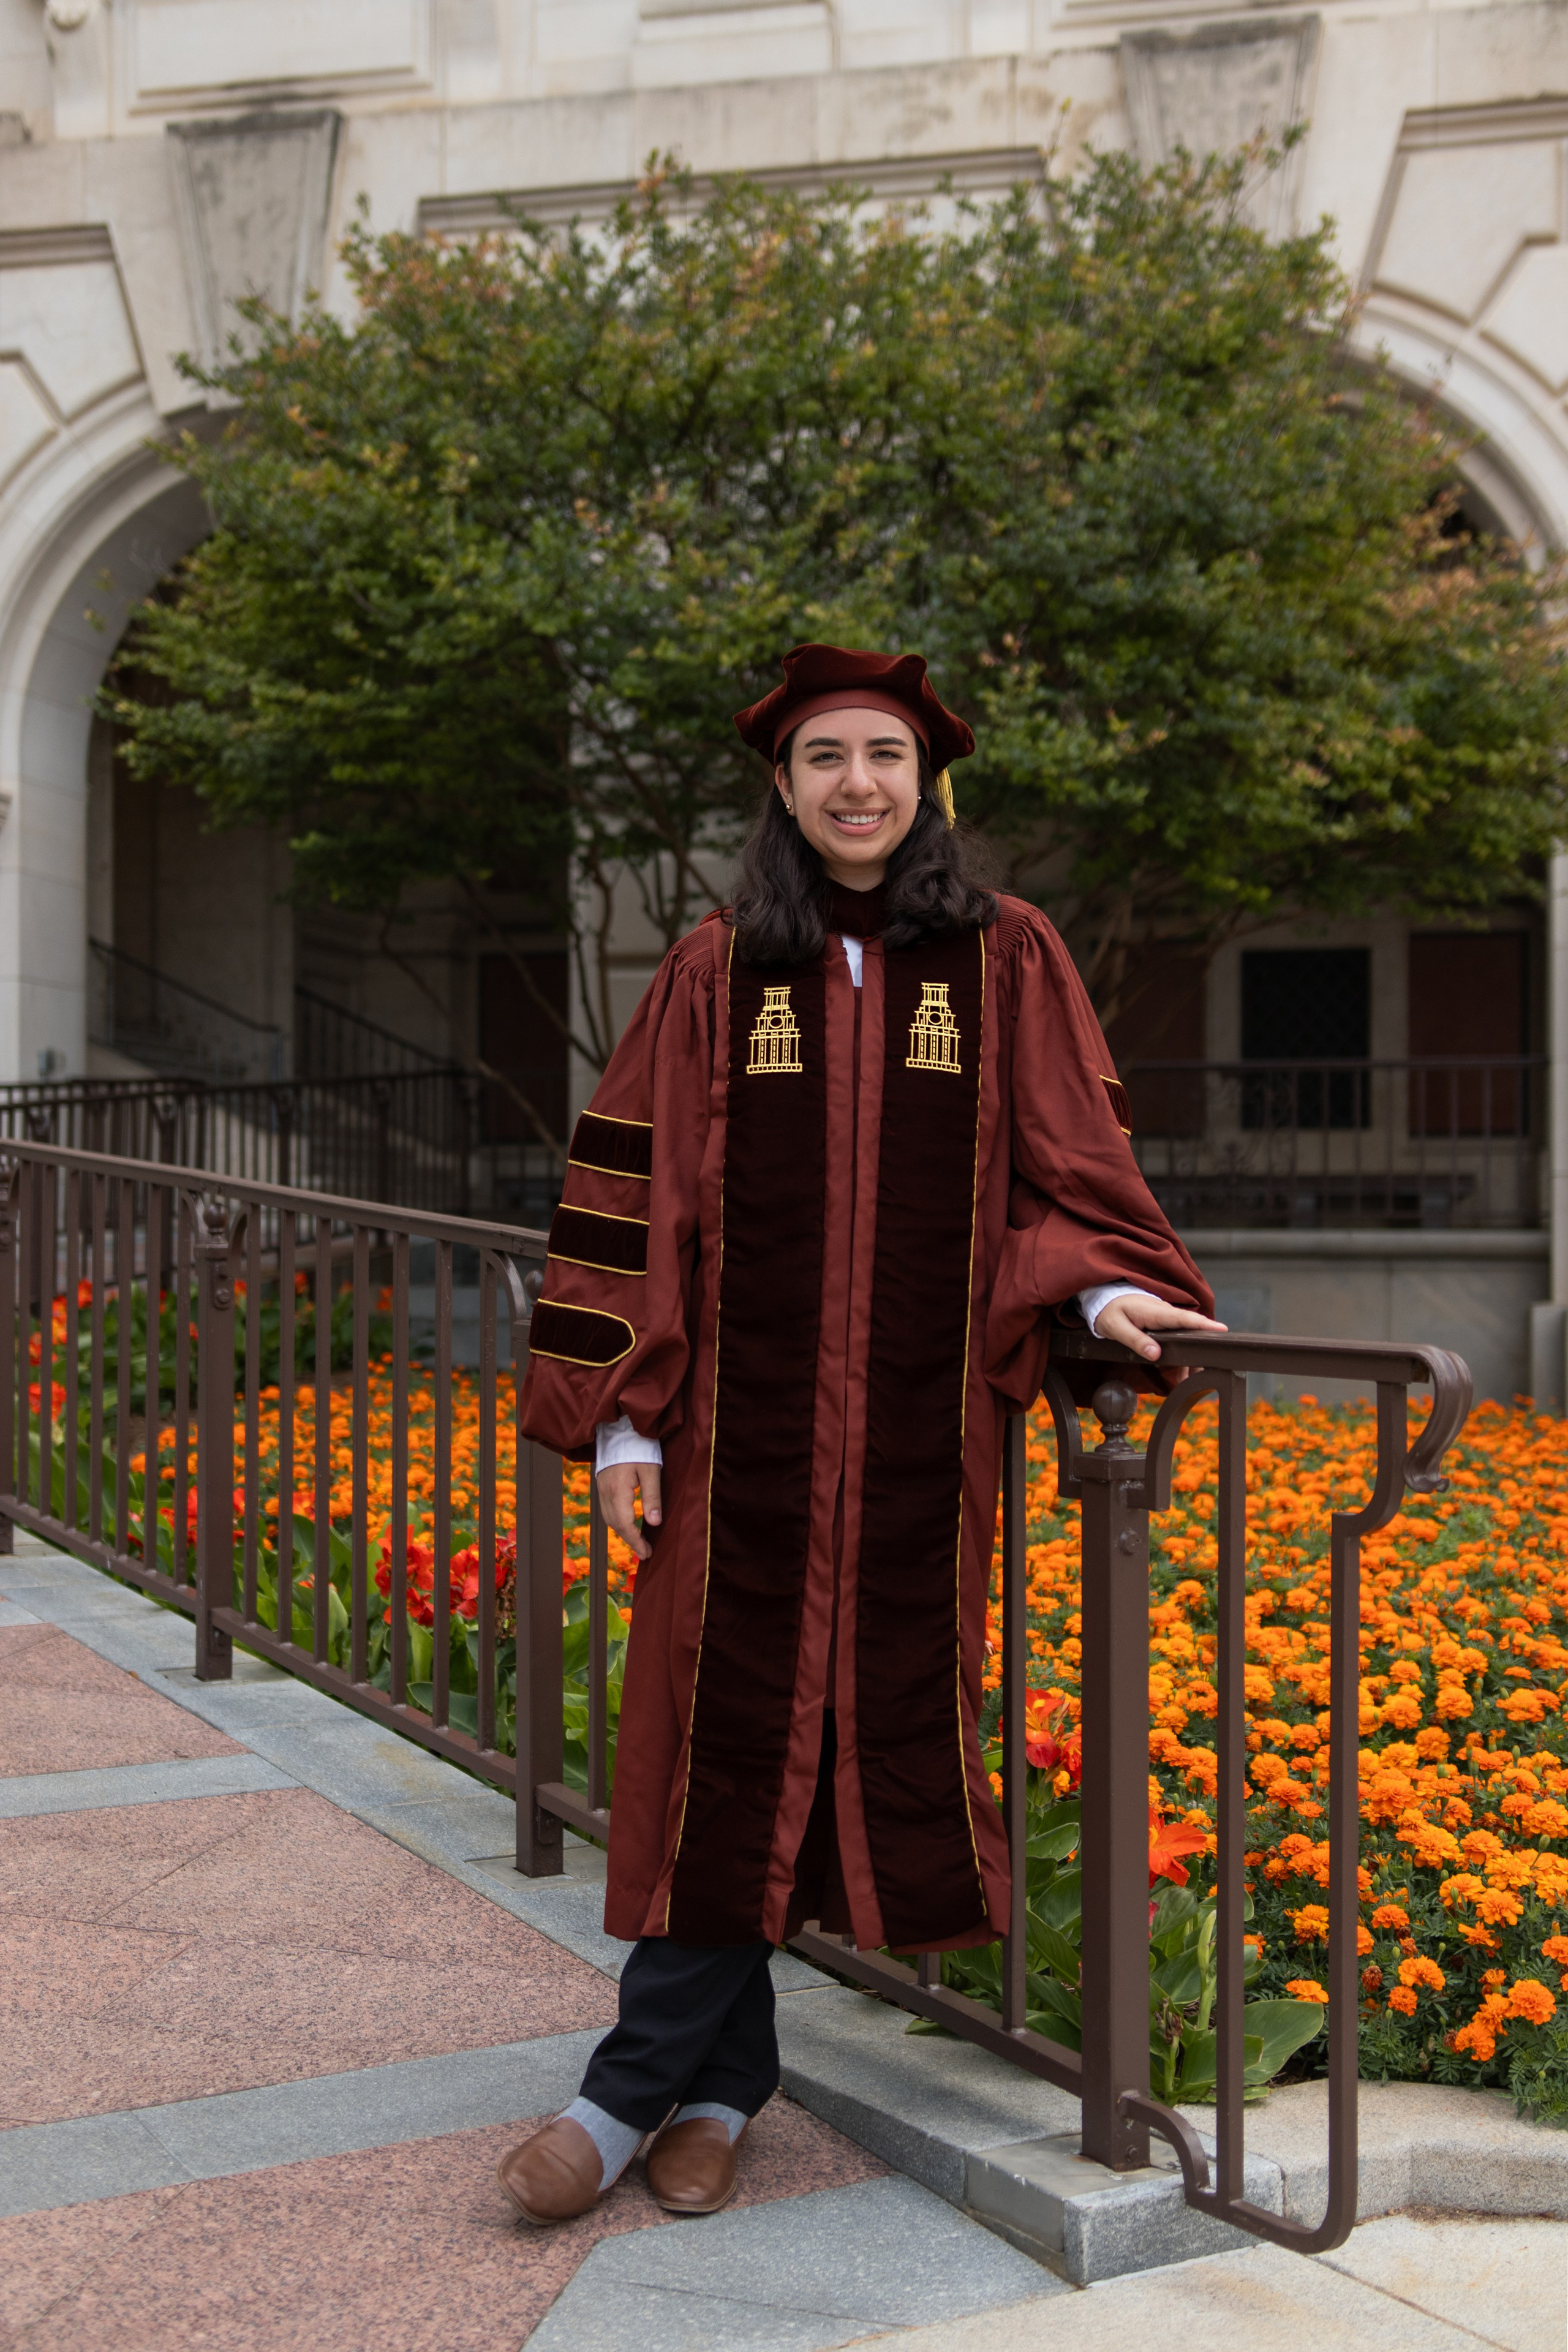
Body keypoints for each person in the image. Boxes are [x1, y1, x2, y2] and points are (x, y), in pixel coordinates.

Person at [497, 643, 1224, 2226]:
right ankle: (658, 2094)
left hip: (915, 1448)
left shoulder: (1007, 957)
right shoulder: (713, 966)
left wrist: (1100, 1297)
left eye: (884, 757)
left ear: (927, 781)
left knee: (841, 1739)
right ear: (782, 784)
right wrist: (626, 1422)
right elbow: (636, 1203)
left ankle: (682, 2091)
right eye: (825, 757)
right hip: (726, 1452)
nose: (856, 785)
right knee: (721, 1741)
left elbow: (1068, 1171)